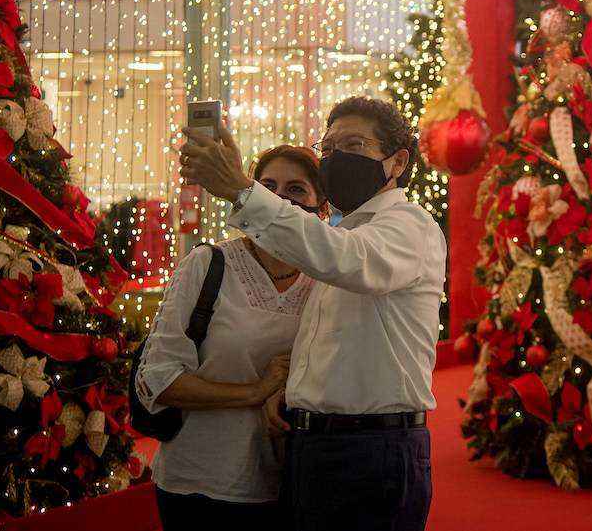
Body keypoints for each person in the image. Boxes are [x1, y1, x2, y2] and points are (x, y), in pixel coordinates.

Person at [180, 97, 445, 531]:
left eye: (354, 145)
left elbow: (347, 260)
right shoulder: (340, 233)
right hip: (314, 448)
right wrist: (293, 392)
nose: (336, 158)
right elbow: (333, 335)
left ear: (397, 162)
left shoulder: (409, 225)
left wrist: (243, 191)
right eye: (329, 147)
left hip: (371, 452)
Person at [136, 145, 326, 531]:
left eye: (296, 190)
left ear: (321, 208)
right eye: (267, 186)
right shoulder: (208, 265)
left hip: (287, 485)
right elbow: (158, 379)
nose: (279, 199)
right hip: (200, 485)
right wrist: (255, 391)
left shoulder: (326, 281)